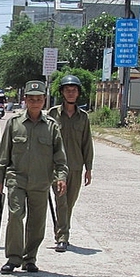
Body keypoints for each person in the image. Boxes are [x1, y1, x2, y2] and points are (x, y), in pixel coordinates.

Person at [0, 80, 68, 274]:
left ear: (44, 100)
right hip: (16, 179)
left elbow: (60, 156)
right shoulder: (14, 123)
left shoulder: (52, 126)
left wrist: (61, 176)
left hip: (41, 181)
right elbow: (4, 154)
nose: (35, 102)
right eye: (31, 98)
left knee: (36, 222)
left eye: (39, 99)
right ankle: (13, 258)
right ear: (25, 100)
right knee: (16, 216)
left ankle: (30, 258)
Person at [48, 75, 94, 252]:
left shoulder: (83, 117)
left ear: (78, 93)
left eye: (74, 90)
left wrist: (88, 168)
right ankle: (62, 237)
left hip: (75, 166)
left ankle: (61, 230)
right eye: (67, 90)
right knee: (61, 201)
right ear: (62, 92)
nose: (70, 93)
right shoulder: (53, 114)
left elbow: (87, 144)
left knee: (70, 202)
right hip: (57, 168)